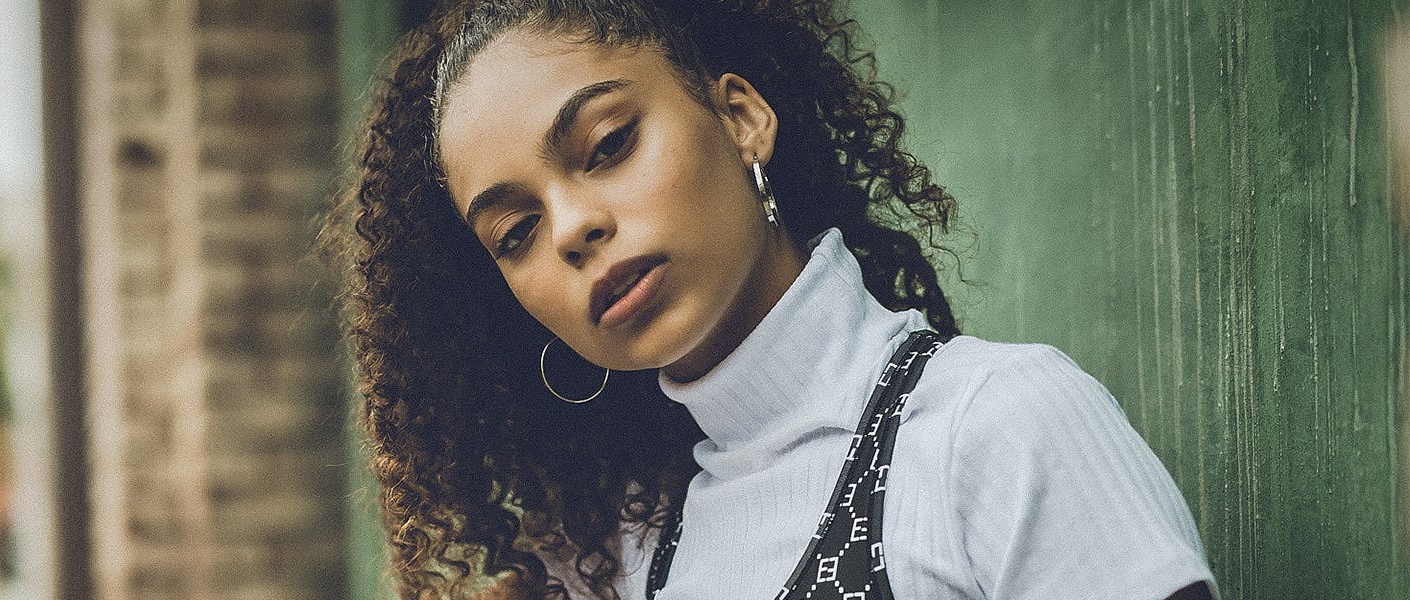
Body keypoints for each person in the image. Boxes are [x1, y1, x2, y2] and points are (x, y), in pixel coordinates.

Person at [325, 1, 1216, 598]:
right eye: (515, 233)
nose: (570, 229)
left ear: (742, 117)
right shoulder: (624, 555)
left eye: (607, 144)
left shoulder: (996, 431)